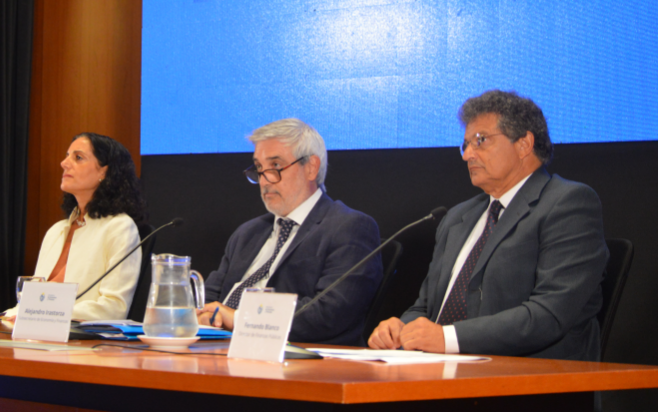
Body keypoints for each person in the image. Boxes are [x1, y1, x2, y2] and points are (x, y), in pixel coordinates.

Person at [368, 90, 609, 360]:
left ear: (524, 144)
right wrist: (402, 329)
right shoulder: (458, 217)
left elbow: (549, 314)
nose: (467, 154)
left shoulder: (567, 203)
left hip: (526, 383)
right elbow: (426, 307)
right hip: (439, 374)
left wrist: (448, 338)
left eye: (480, 141)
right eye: (465, 144)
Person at [197, 119, 382, 345]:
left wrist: (239, 319)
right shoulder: (248, 233)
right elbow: (209, 296)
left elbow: (329, 313)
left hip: (299, 364)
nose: (264, 180)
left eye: (275, 167)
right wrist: (204, 315)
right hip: (217, 350)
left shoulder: (349, 227)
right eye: (259, 169)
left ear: (311, 167)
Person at [6, 133, 145, 320]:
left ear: (104, 171)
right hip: (39, 335)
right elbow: (31, 302)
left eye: (78, 157)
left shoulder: (119, 227)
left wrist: (45, 313)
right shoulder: (56, 231)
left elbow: (114, 308)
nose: (64, 163)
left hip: (86, 345)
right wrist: (4, 316)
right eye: (67, 155)